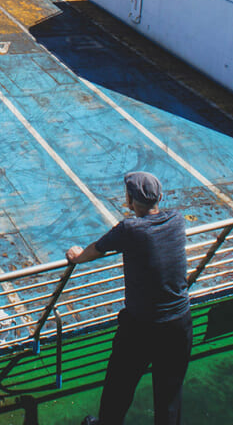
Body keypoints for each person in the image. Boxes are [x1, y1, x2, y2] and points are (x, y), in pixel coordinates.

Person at [65, 171, 192, 425]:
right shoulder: (177, 220)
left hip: (141, 326)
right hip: (180, 322)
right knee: (169, 396)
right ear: (160, 197)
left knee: (119, 387)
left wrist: (76, 256)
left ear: (130, 200)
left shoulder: (129, 229)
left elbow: (95, 250)